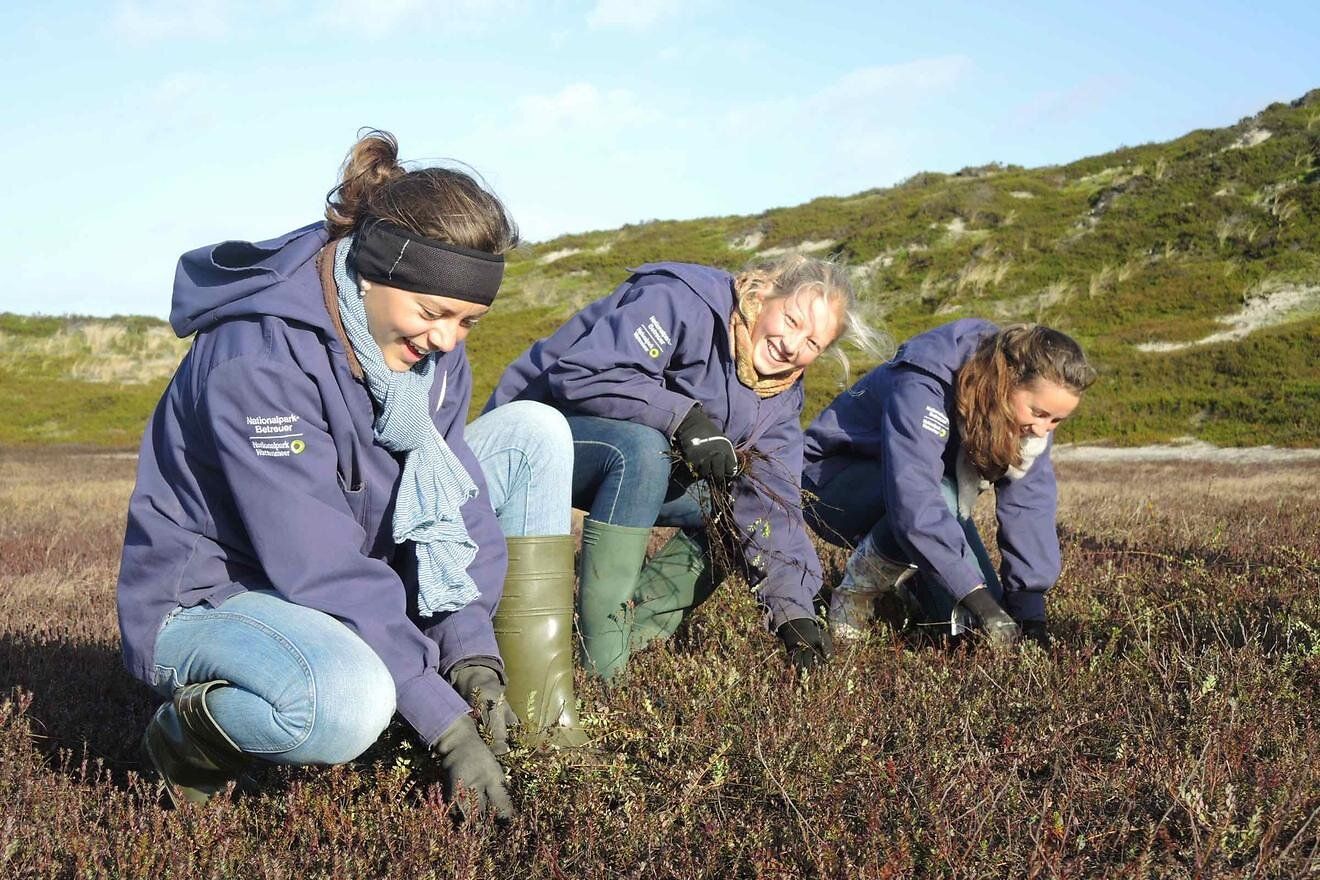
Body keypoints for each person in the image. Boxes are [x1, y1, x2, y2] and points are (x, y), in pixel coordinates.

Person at [117, 130, 581, 819]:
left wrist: (471, 653)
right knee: (348, 702)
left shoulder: (431, 357)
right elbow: (320, 565)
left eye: (469, 321)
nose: (447, 341)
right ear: (375, 272)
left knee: (534, 433)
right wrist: (446, 730)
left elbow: (454, 509)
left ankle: (534, 719)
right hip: (213, 597)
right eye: (432, 313)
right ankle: (186, 740)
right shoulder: (259, 361)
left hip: (339, 578)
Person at [485, 256, 879, 679]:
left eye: (813, 344)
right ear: (763, 294)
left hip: (626, 470)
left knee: (733, 512)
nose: (793, 345)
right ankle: (605, 668)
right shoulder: (680, 299)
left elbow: (770, 509)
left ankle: (618, 637)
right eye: (792, 319)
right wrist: (684, 419)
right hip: (533, 440)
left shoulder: (781, 398)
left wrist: (793, 613)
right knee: (644, 448)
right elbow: (584, 374)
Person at [802, 319, 1096, 646]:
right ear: (1007, 381)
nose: (1043, 429)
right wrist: (973, 595)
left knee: (974, 635)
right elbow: (915, 500)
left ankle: (908, 591)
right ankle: (856, 592)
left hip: (932, 499)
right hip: (831, 487)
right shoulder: (925, 381)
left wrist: (1029, 608)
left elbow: (1029, 505)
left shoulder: (1031, 421)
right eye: (1038, 413)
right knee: (964, 578)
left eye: (1056, 420)